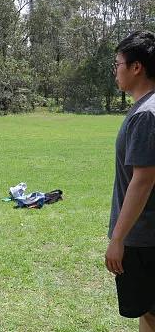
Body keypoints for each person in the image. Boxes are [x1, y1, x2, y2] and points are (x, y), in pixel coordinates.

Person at [105, 30, 155, 332]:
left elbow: (143, 179)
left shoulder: (146, 115)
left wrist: (118, 239)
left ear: (136, 67)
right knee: (148, 313)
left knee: (150, 311)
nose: (116, 71)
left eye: (118, 64)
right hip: (144, 236)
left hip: (144, 239)